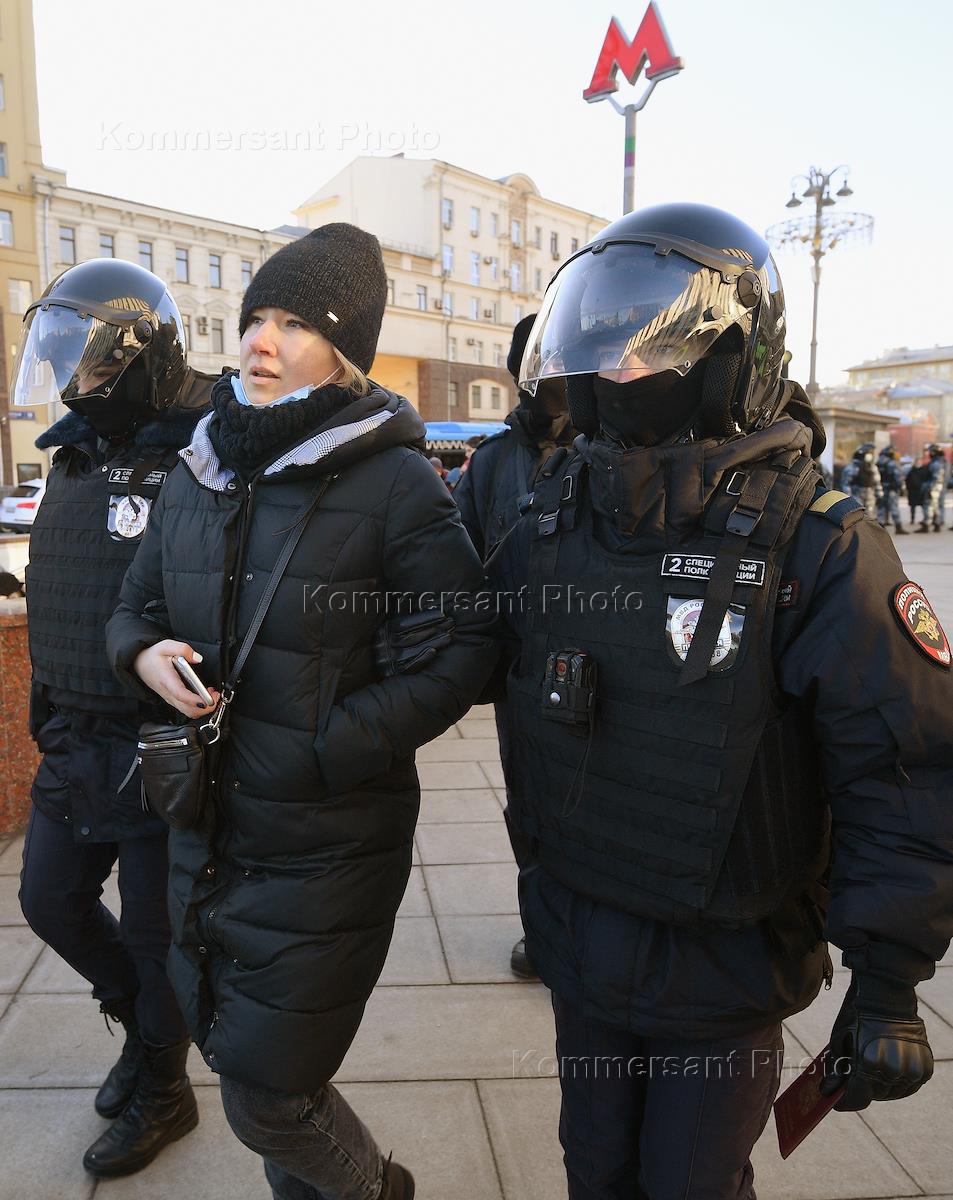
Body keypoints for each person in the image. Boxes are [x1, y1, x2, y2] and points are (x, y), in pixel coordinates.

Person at [489, 202, 953, 1200]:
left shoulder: (819, 546)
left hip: (722, 963)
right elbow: (453, 652)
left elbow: (902, 774)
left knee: (689, 1185)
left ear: (730, 363)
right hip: (578, 929)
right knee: (594, 1172)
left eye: (652, 348)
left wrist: (886, 986)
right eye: (605, 349)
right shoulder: (552, 515)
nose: (620, 372)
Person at [106, 223, 497, 1200]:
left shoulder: (395, 480)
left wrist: (331, 745)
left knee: (268, 1096)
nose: (261, 340)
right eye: (255, 317)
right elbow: (132, 607)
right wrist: (144, 654)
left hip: (326, 836)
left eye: (294, 322)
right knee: (245, 1053)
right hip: (204, 823)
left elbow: (466, 647)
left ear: (344, 350)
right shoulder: (198, 466)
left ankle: (378, 1190)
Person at [13, 258, 215, 1178]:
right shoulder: (74, 454)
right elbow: (64, 589)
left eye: (92, 362)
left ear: (141, 357)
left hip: (157, 738)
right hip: (76, 734)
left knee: (152, 932)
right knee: (47, 898)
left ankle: (165, 1086)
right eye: (65, 362)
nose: (74, 381)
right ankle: (142, 1030)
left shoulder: (202, 452)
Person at [453, 314, 575, 977]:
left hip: (604, 669)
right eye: (538, 365)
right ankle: (545, 931)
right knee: (528, 807)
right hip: (522, 675)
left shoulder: (613, 451)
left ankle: (595, 931)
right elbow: (460, 562)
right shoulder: (493, 462)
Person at [843, 443, 882, 520]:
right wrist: (848, 497)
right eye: (869, 453)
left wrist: (879, 493)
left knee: (870, 518)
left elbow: (877, 481)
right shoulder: (853, 467)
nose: (871, 455)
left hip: (870, 495)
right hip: (856, 494)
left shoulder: (872, 467)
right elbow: (846, 483)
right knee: (857, 517)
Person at [876, 445, 907, 534]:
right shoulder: (892, 463)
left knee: (881, 507)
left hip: (882, 487)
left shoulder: (879, 462)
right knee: (894, 507)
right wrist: (901, 487)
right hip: (892, 488)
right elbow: (898, 476)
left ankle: (880, 527)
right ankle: (898, 527)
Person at [918, 443, 948, 532]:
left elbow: (936, 478)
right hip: (936, 487)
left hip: (933, 488)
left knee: (929, 506)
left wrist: (929, 487)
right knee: (935, 506)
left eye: (931, 451)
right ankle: (936, 524)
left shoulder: (936, 463)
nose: (929, 453)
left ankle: (927, 524)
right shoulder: (939, 462)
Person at [906, 454, 929, 528]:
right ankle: (912, 519)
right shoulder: (912, 470)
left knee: (924, 506)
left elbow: (927, 479)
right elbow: (907, 480)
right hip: (912, 491)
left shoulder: (925, 470)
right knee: (912, 507)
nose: (918, 462)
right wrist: (908, 488)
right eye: (917, 461)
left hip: (921, 491)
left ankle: (925, 519)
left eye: (919, 461)